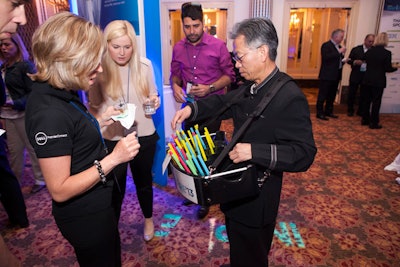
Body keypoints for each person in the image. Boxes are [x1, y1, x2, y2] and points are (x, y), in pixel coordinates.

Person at [171, 17, 317, 266]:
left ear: (262, 52)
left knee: (252, 255)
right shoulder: (252, 85)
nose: (236, 64)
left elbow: (304, 153)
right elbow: (221, 103)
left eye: (239, 57)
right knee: (239, 248)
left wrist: (254, 151)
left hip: (258, 196)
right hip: (238, 189)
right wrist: (191, 110)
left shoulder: (290, 96)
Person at [25, 12, 140, 267]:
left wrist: (99, 122)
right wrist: (114, 159)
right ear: (68, 61)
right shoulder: (49, 113)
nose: (99, 69)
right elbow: (60, 189)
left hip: (97, 205)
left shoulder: (61, 92)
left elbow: (70, 140)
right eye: (92, 62)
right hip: (84, 217)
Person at [89, 20, 160, 242]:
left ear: (134, 45)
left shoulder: (145, 66)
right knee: (114, 188)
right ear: (106, 44)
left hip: (143, 135)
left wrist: (154, 102)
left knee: (144, 183)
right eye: (116, 46)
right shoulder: (97, 69)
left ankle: (148, 219)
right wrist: (106, 113)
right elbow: (92, 106)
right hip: (113, 138)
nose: (122, 52)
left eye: (127, 47)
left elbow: (153, 96)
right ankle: (111, 228)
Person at [169, 2, 235, 219]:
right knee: (190, 151)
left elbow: (230, 76)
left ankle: (206, 197)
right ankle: (193, 192)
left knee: (206, 153)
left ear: (203, 23)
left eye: (195, 26)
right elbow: (175, 74)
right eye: (187, 27)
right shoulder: (178, 47)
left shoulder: (218, 46)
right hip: (189, 108)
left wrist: (210, 87)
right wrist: (176, 85)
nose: (191, 31)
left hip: (212, 109)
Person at [0, 32, 46, 193]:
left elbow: (33, 93)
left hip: (24, 114)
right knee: (14, 151)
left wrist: (15, 103)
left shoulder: (25, 66)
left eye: (7, 44)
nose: (4, 48)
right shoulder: (3, 66)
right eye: (1, 45)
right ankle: (14, 184)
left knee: (32, 147)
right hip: (7, 115)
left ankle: (41, 180)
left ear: (17, 45)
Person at [360, 32, 398, 129]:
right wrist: (396, 67)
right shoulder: (387, 53)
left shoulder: (369, 51)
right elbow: (387, 68)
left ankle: (365, 119)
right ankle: (374, 122)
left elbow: (364, 59)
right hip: (378, 81)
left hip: (367, 79)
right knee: (376, 102)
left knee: (366, 100)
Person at [316, 28, 346, 120]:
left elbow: (337, 60)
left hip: (336, 75)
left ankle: (329, 111)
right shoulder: (326, 45)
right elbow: (326, 58)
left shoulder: (339, 47)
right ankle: (319, 113)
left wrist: (344, 60)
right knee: (323, 95)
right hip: (327, 75)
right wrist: (339, 52)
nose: (342, 38)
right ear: (335, 36)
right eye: (341, 37)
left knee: (332, 95)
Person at [346, 34, 375, 117]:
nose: (371, 43)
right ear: (365, 40)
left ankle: (361, 110)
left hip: (366, 76)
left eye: (372, 42)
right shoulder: (356, 49)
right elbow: (349, 60)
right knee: (352, 93)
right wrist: (355, 62)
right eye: (369, 41)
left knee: (364, 94)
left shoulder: (373, 51)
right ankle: (350, 110)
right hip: (355, 74)